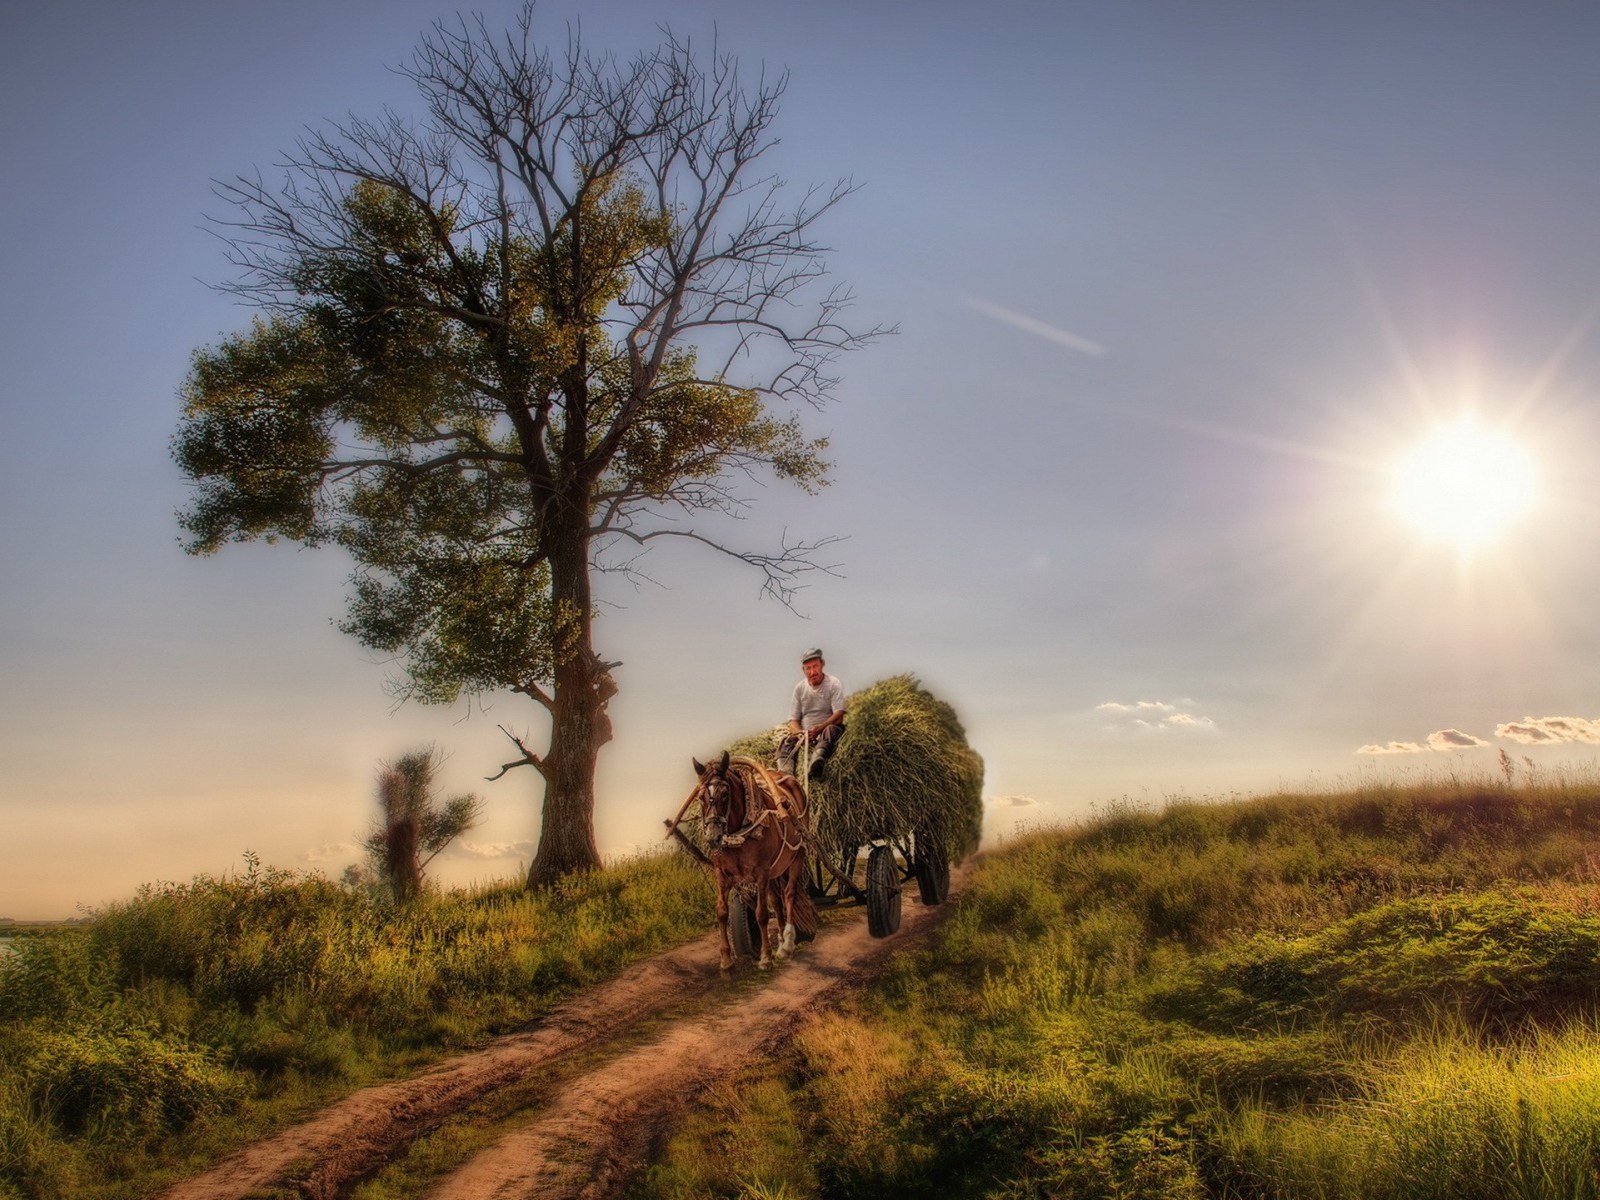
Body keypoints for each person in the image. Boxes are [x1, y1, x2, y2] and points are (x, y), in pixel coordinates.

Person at [776, 648, 846, 781]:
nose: (812, 672)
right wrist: (800, 733)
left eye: (815, 667)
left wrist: (819, 728)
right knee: (786, 741)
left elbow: (839, 714)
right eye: (808, 668)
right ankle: (785, 774)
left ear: (822, 664)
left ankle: (816, 762)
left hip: (827, 729)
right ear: (803, 670)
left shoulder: (834, 684)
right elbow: (793, 720)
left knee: (831, 730)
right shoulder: (799, 689)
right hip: (807, 735)